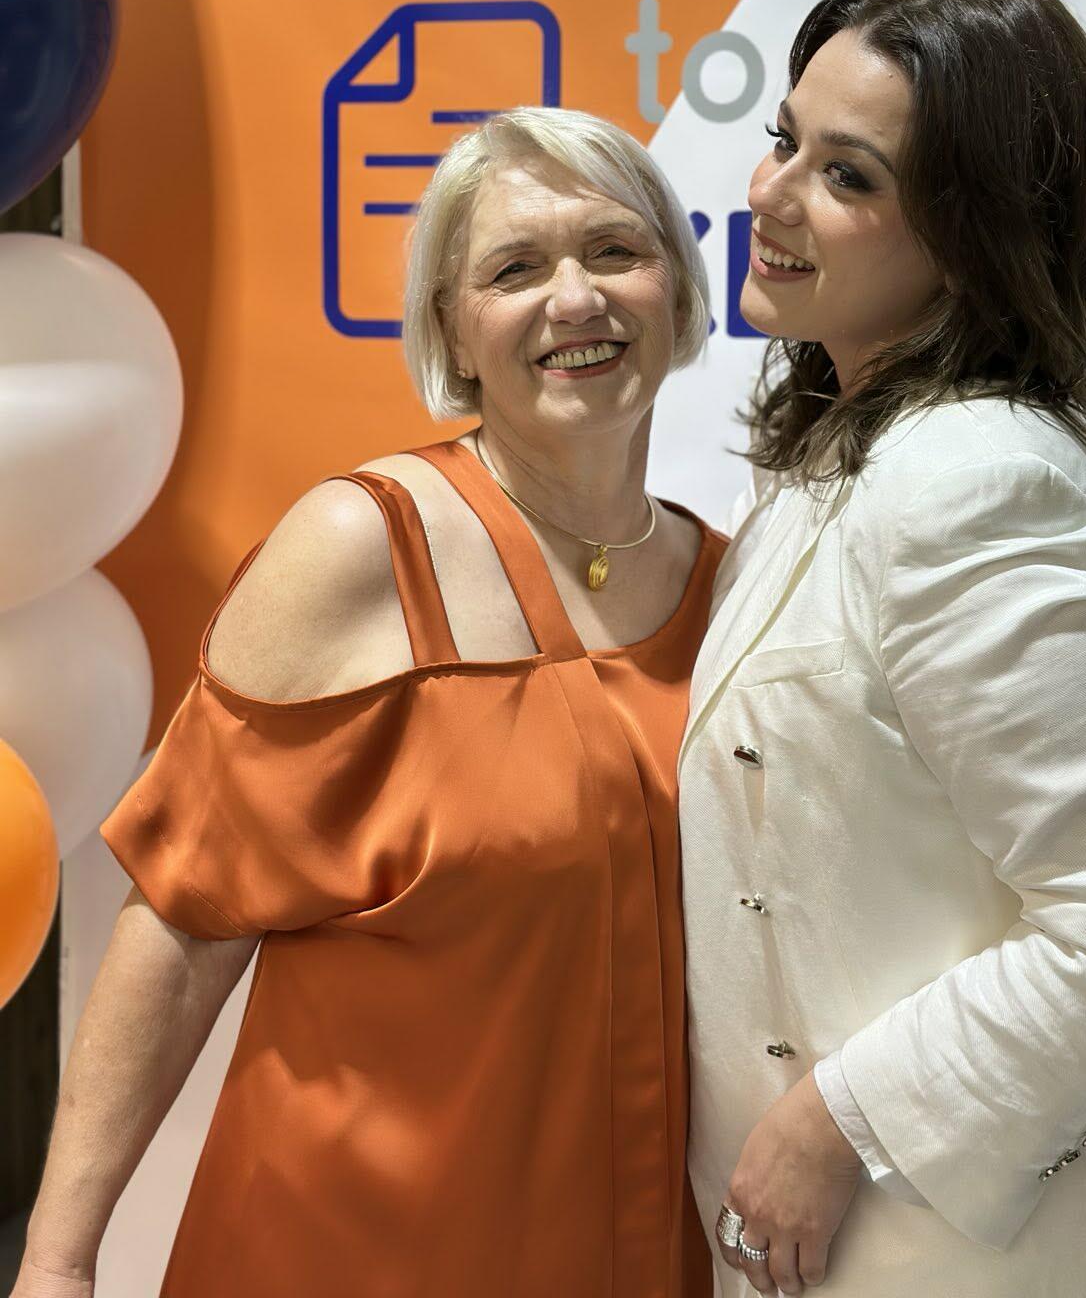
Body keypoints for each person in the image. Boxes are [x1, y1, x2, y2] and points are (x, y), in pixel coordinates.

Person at [12, 108, 724, 1298]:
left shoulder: (738, 590)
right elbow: (184, 929)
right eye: (515, 268)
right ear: (452, 327)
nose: (576, 298)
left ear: (680, 286)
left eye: (615, 250)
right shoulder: (360, 546)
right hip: (351, 1253)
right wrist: (58, 1259)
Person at [680, 0, 1086, 1296]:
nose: (772, 195)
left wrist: (837, 1122)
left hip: (965, 1247)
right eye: (785, 140)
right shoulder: (836, 464)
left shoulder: (981, 478)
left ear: (972, 235)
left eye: (847, 176)